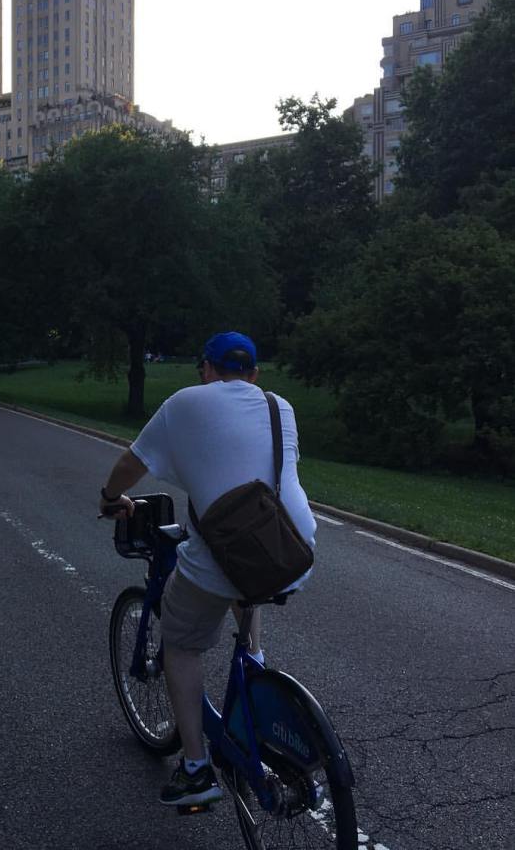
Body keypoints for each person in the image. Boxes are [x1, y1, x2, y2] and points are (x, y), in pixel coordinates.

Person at [98, 331, 317, 808]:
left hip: (227, 553)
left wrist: (111, 498)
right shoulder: (280, 406)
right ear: (254, 374)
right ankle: (254, 670)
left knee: (180, 641)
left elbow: (132, 464)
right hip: (290, 548)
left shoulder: (184, 403)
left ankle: (196, 769)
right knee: (246, 584)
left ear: (207, 369)